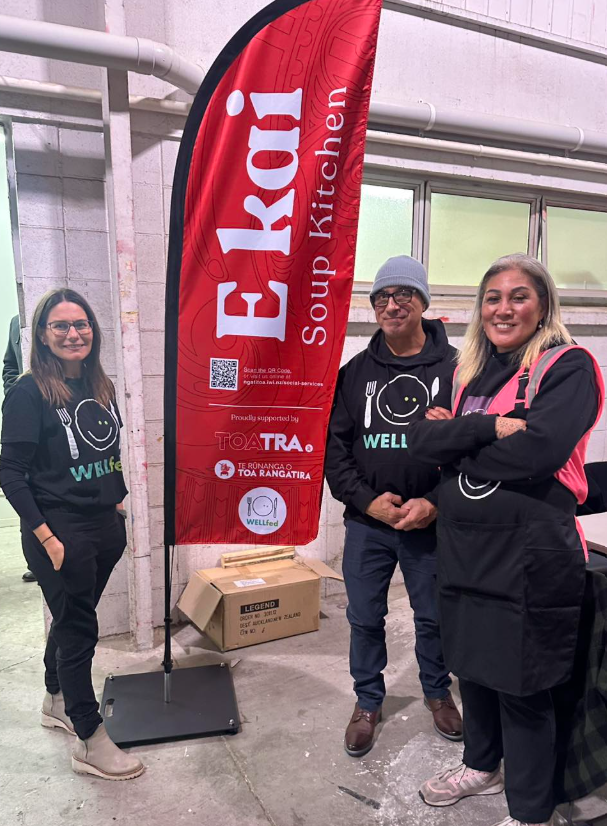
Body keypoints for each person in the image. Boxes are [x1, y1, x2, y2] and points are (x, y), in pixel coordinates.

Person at [408, 254, 603, 826]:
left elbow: (537, 453)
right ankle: (481, 765)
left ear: (543, 305)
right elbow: (420, 441)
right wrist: (487, 429)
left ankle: (530, 810)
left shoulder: (567, 367)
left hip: (530, 557)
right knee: (472, 668)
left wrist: (455, 446)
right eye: (493, 297)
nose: (503, 308)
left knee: (522, 684)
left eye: (519, 296)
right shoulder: (468, 371)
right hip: (464, 549)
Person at [0, 289, 144, 781]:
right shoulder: (28, 392)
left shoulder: (98, 384)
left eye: (81, 324)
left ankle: (55, 697)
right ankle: (89, 737)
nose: (73, 334)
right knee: (80, 631)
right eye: (60, 325)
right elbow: (10, 472)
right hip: (60, 530)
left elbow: (105, 450)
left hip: (103, 524)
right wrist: (47, 537)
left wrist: (116, 502)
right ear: (42, 335)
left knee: (70, 619)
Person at [325, 255, 463, 758]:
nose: (392, 304)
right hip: (369, 524)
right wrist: (368, 502)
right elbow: (334, 451)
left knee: (433, 616)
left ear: (423, 302)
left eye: (404, 294)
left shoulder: (459, 371)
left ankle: (437, 692)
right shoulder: (354, 373)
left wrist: (436, 502)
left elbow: (475, 451)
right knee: (364, 617)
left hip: (431, 523)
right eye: (382, 296)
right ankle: (368, 702)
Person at [2, 314, 36, 583]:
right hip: (27, 417)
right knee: (24, 483)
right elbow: (9, 366)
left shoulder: (63, 317)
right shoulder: (16, 321)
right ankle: (36, 561)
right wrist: (17, 391)